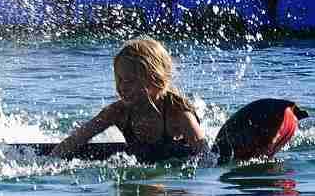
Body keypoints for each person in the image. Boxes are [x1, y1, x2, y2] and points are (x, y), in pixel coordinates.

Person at [51, 37, 207, 163]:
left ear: (157, 81)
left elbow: (206, 155)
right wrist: (48, 161)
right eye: (119, 79)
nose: (122, 87)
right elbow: (77, 139)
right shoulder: (117, 112)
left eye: (130, 81)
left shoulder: (178, 113)